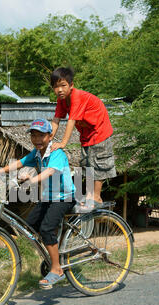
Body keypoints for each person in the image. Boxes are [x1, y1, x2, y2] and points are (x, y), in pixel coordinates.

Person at [0, 119, 76, 289]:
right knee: (29, 226)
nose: (37, 139)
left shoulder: (56, 152)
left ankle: (57, 269)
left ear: (50, 136)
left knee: (47, 228)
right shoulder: (36, 153)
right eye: (34, 135)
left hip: (64, 197)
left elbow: (50, 171)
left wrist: (33, 179)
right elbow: (19, 163)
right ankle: (52, 256)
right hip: (48, 197)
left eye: (41, 135)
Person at [50, 67, 117, 211]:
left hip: (100, 131)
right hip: (87, 135)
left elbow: (71, 121)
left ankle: (96, 198)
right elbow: (56, 120)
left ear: (71, 85)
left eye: (63, 85)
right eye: (56, 87)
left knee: (98, 162)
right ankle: (89, 196)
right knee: (87, 163)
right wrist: (48, 138)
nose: (60, 90)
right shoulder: (62, 101)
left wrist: (63, 143)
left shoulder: (77, 97)